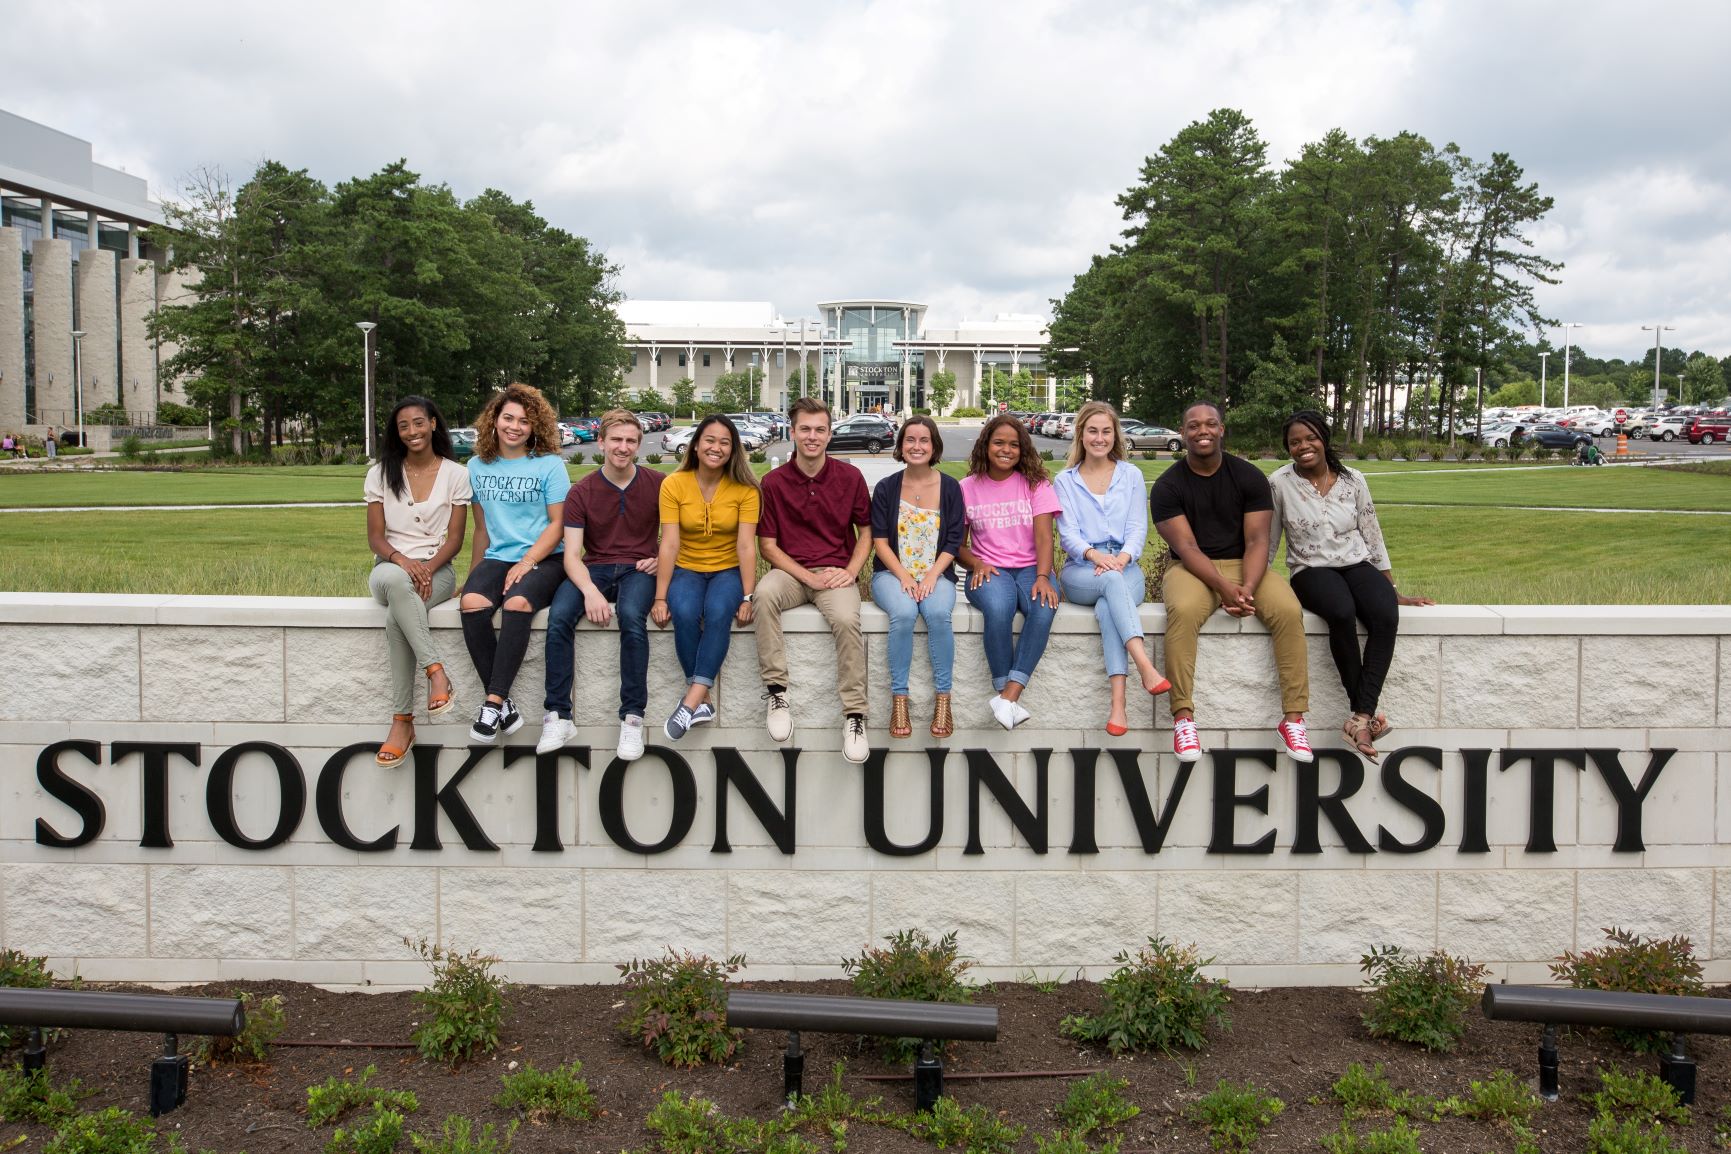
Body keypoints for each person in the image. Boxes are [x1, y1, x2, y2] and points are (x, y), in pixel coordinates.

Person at [1151, 400, 1312, 764]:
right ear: (1183, 433)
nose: (1202, 431)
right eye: (1194, 426)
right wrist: (1226, 590)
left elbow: (1258, 541)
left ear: (1222, 429)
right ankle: (1183, 719)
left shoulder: (1249, 476)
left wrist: (1247, 589)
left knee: (1287, 610)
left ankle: (1294, 719)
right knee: (1184, 610)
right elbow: (1186, 546)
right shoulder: (1167, 486)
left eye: (1210, 424)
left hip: (1247, 566)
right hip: (1191, 569)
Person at [1270, 410, 1435, 761]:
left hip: (1356, 563)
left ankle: (1360, 717)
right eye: (1295, 442)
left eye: (1310, 438)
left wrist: (1391, 588)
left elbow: (1372, 534)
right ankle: (1364, 715)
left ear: (1324, 439)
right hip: (1310, 569)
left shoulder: (1353, 479)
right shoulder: (1280, 483)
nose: (1303, 446)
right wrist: (1253, 586)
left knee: (1384, 614)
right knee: (1342, 612)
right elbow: (1269, 540)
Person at [538, 409, 663, 761]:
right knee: (560, 616)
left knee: (631, 618)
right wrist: (590, 591)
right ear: (602, 441)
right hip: (595, 568)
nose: (623, 447)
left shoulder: (658, 483)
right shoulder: (582, 492)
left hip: (639, 569)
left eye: (630, 441)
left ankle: (633, 717)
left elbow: (675, 538)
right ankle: (558, 714)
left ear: (639, 445)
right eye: (616, 440)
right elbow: (572, 555)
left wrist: (661, 559)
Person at [755, 397, 873, 762]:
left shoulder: (849, 477)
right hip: (790, 572)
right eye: (805, 429)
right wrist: (806, 576)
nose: (812, 436)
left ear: (829, 434)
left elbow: (866, 531)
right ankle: (777, 693)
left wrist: (851, 572)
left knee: (846, 619)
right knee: (763, 595)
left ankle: (854, 715)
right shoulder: (773, 482)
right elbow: (768, 546)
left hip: (835, 573)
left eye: (820, 430)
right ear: (792, 432)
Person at [460, 383, 571, 743]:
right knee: (472, 602)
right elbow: (481, 528)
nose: (515, 426)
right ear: (494, 420)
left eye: (524, 421)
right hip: (499, 556)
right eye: (508, 417)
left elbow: (558, 524)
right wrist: (475, 574)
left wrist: (527, 561)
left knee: (518, 602)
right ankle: (504, 706)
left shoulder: (550, 465)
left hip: (547, 557)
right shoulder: (476, 466)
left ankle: (492, 702)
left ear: (534, 427)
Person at [364, 396, 471, 766]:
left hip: (437, 571)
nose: (412, 431)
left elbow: (455, 540)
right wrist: (403, 561)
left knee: (398, 618)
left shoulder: (457, 475)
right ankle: (436, 672)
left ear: (433, 424)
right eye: (403, 426)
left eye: (419, 423)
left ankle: (402, 722)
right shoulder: (380, 473)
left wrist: (426, 567)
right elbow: (376, 537)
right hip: (389, 568)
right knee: (396, 582)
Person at [1053, 402, 1170, 736]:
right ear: (1081, 434)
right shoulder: (1066, 481)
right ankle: (1145, 666)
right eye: (1092, 431)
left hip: (1124, 565)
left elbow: (1137, 527)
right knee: (1109, 585)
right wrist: (1094, 556)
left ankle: (1118, 705)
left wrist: (1123, 558)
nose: (1099, 438)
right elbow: (1068, 535)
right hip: (1081, 570)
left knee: (1109, 605)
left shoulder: (1130, 475)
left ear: (1115, 435)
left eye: (1106, 431)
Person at [651, 415, 759, 739]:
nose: (716, 447)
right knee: (683, 612)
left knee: (717, 613)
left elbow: (745, 545)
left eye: (725, 442)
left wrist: (747, 596)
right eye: (710, 440)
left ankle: (689, 703)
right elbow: (669, 543)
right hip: (687, 568)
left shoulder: (746, 490)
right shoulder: (673, 484)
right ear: (696, 445)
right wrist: (659, 596)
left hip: (727, 570)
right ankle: (703, 699)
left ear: (733, 449)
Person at [957, 413, 1061, 730]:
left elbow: (1045, 537)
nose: (1006, 449)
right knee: (999, 609)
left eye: (1014, 445)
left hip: (1032, 568)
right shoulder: (966, 488)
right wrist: (977, 562)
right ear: (986, 446)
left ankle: (1008, 694)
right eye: (999, 442)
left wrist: (1043, 576)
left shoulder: (1035, 484)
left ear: (1023, 449)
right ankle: (1005, 693)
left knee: (1044, 607)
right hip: (989, 571)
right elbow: (956, 546)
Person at [870, 416, 964, 738]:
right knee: (904, 612)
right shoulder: (886, 488)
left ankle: (943, 699)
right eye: (910, 440)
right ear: (900, 446)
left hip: (937, 575)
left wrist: (931, 577)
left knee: (938, 612)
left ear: (934, 446)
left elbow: (953, 541)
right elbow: (879, 541)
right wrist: (905, 578)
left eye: (924, 440)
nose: (917, 446)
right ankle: (899, 699)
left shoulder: (950, 487)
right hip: (891, 575)